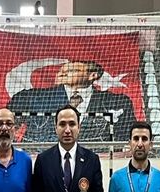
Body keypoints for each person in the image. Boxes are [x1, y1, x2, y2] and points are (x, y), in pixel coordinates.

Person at [8, 59, 137, 142]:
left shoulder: (118, 102)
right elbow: (5, 126)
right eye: (61, 71)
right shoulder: (30, 97)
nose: (62, 74)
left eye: (71, 70)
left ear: (92, 75)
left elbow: (127, 139)